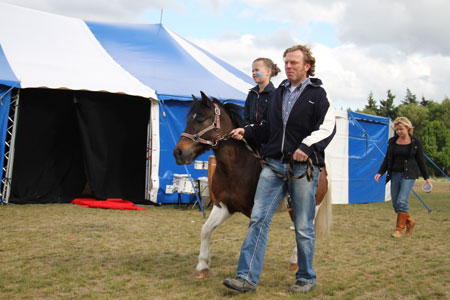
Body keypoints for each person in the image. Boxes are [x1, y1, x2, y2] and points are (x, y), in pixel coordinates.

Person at [223, 45, 336, 294]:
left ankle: (306, 278)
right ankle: (246, 278)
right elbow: (268, 127)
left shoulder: (318, 94)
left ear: (307, 66)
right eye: (286, 62)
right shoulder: (278, 93)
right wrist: (248, 131)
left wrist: (306, 147)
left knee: (303, 226)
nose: (288, 66)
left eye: (294, 62)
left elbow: (327, 128)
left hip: (303, 168)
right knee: (257, 220)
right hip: (274, 164)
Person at [374, 117, 431, 238]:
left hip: (409, 175)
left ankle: (399, 229)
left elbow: (421, 160)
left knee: (401, 201)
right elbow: (387, 158)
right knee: (396, 204)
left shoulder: (415, 142)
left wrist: (426, 177)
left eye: (401, 129)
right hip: (394, 174)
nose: (399, 131)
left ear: (408, 128)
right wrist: (380, 172)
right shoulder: (392, 141)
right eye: (397, 129)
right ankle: (410, 221)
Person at [244, 58, 280, 125]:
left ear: (268, 72)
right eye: (253, 71)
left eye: (257, 70)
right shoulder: (251, 94)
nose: (254, 73)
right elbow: (246, 117)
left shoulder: (275, 95)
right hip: (250, 133)